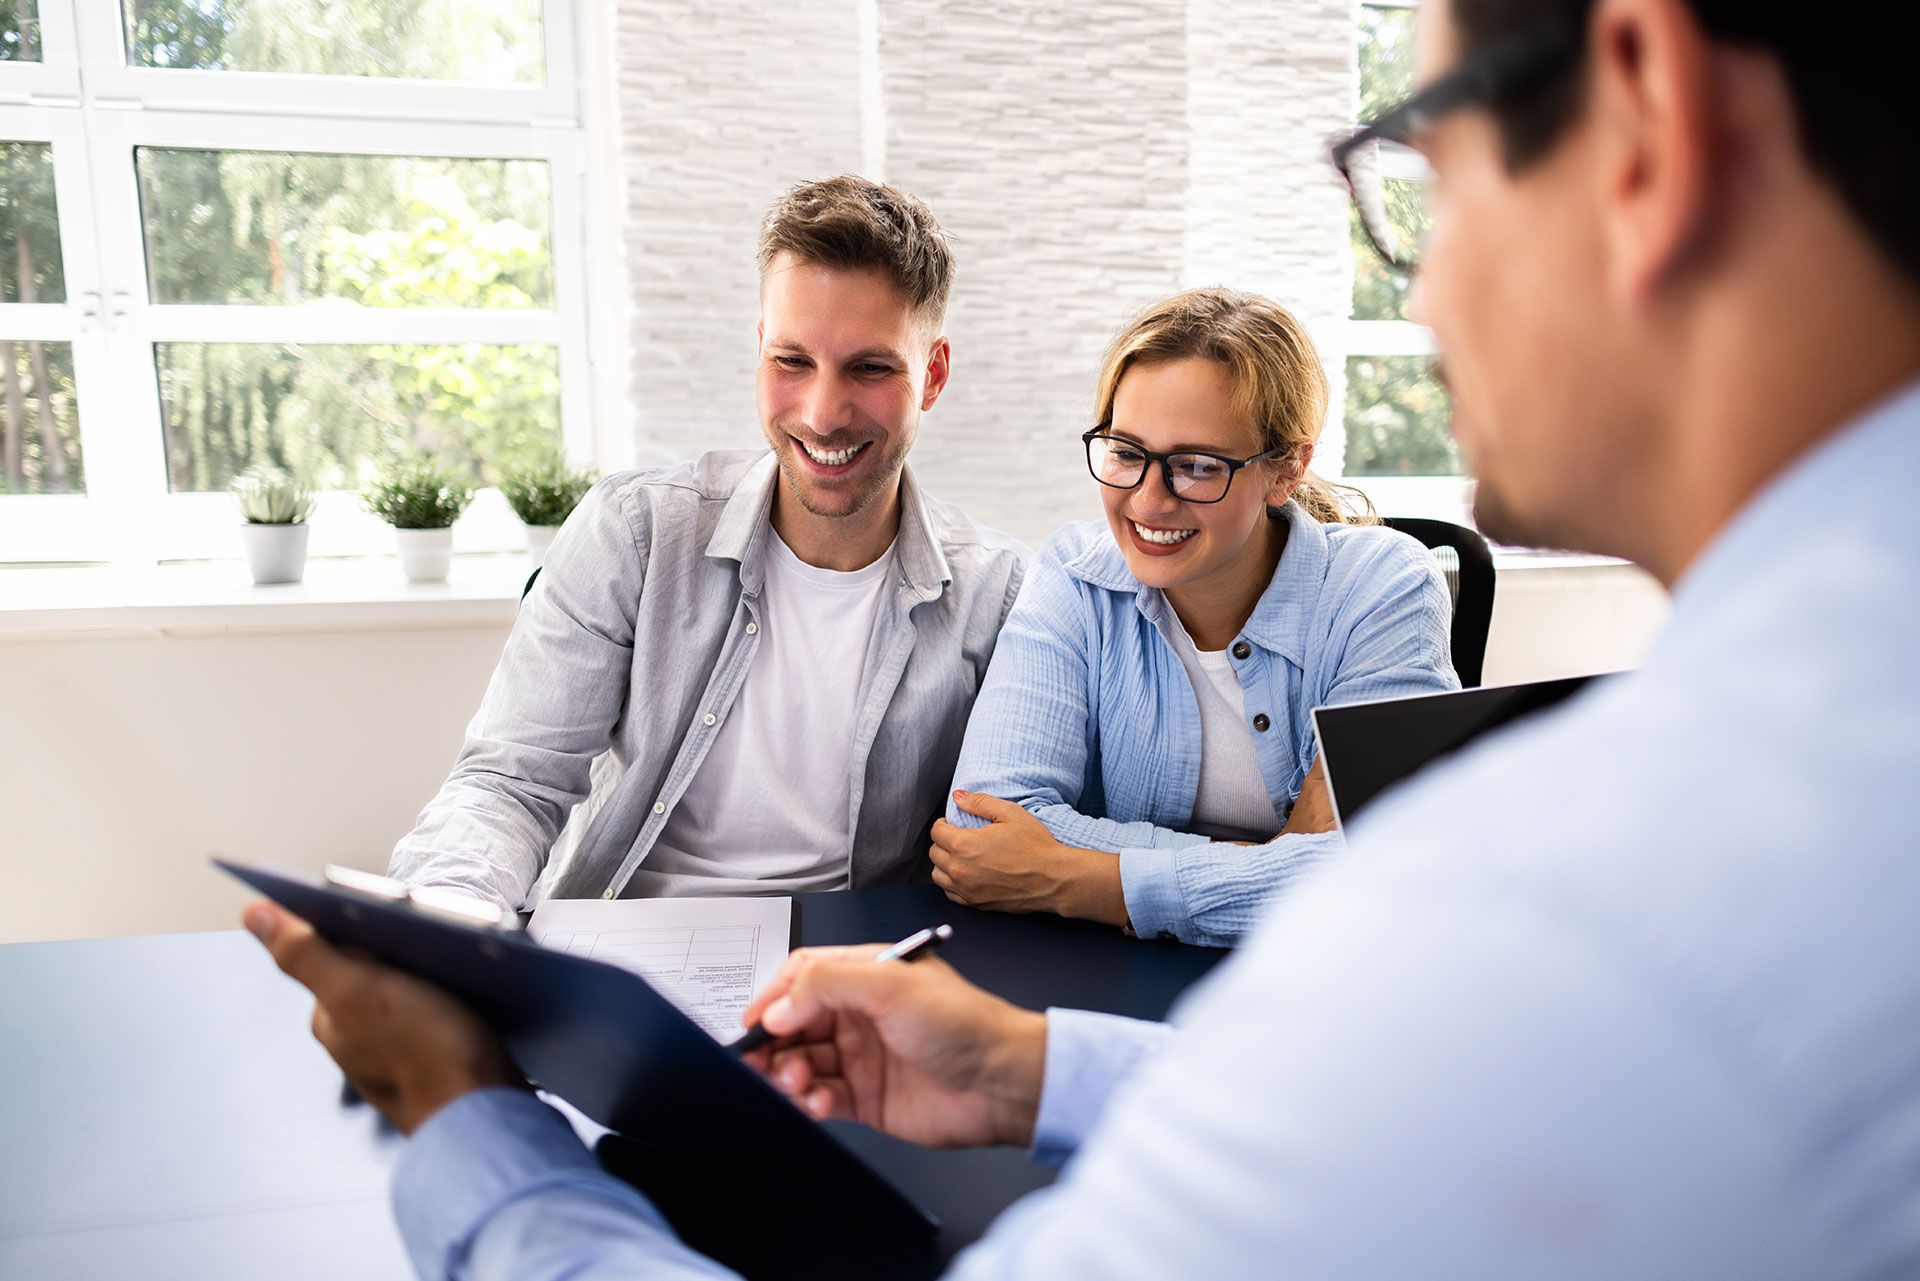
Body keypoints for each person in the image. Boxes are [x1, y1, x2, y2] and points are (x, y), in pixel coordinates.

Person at [245, 0, 1920, 1275]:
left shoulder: (1544, 920)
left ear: (1644, 120)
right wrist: (1054, 1068)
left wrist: (467, 1131)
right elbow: (974, 836)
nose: (1418, 290)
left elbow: (1119, 881)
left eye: (1423, 167)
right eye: (1126, 454)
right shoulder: (1784, 790)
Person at [387, 175, 1027, 908]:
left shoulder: (997, 595)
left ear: (933, 374)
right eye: (793, 361)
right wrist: (451, 913)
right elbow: (511, 782)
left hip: (847, 980)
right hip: (623, 945)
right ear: (760, 350)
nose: (823, 413)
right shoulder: (634, 534)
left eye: (870, 368)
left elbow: (1015, 839)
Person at [930, 288, 1457, 946]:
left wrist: (1087, 878)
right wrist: (1275, 864)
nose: (1149, 501)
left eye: (1197, 465)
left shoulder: (1384, 587)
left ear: (1285, 469)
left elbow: (1390, 867)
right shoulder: (1075, 574)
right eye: (1126, 452)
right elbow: (984, 828)